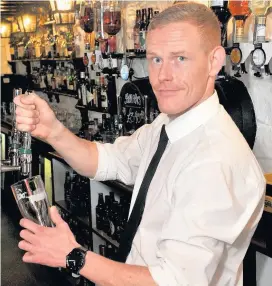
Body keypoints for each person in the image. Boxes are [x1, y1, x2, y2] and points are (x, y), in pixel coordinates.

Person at [14, 2, 265, 286]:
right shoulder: (168, 125)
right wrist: (52, 131)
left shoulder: (214, 160)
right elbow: (107, 160)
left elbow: (173, 282)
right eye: (156, 59)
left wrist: (74, 257)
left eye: (180, 58)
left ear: (214, 60)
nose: (163, 75)